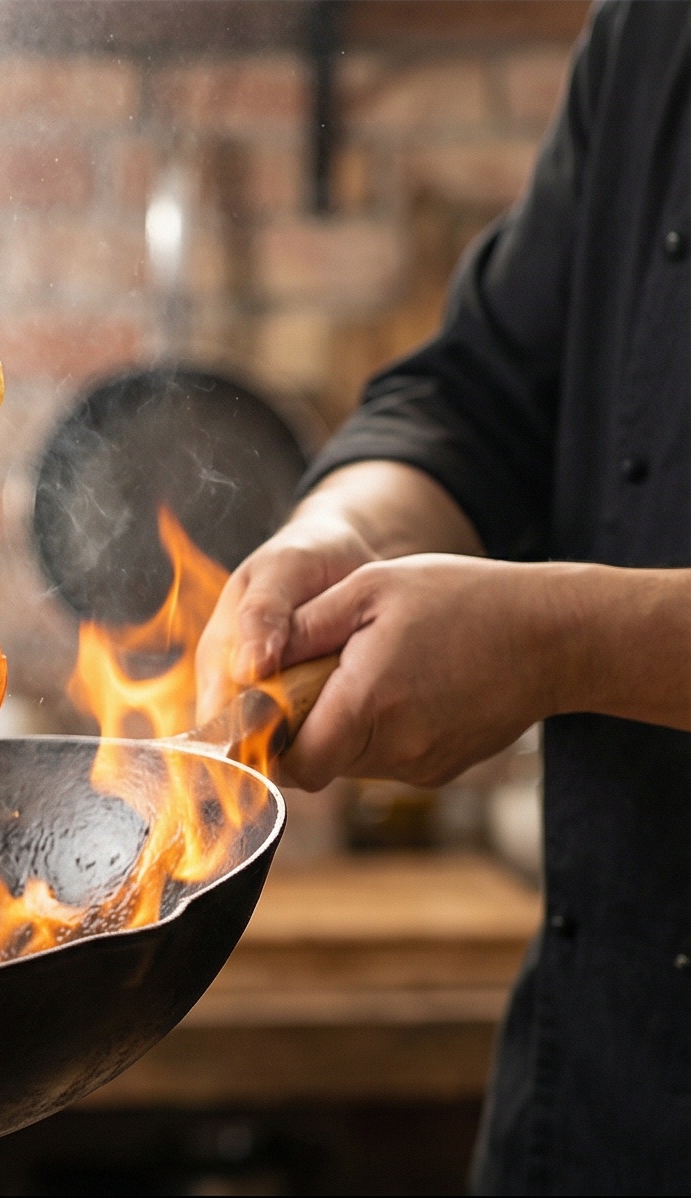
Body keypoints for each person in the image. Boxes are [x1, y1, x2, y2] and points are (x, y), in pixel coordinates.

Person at [192, 3, 691, 1192]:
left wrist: (557, 646)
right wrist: (343, 532)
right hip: (595, 1089)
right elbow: (475, 393)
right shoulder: (653, 32)